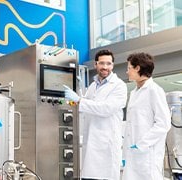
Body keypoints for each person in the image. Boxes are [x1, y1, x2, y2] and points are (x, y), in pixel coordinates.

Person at [64, 49, 127, 180]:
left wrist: (79, 100)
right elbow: (84, 108)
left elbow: (106, 109)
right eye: (102, 63)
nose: (105, 67)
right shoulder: (93, 86)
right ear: (95, 64)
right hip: (91, 147)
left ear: (113, 65)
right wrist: (74, 99)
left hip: (106, 148)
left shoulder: (119, 86)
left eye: (109, 63)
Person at [121, 52, 171, 180]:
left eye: (129, 68)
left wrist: (142, 144)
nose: (127, 72)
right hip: (133, 155)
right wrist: (125, 153)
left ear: (137, 68)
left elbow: (163, 124)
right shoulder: (133, 93)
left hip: (147, 155)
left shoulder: (154, 90)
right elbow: (131, 125)